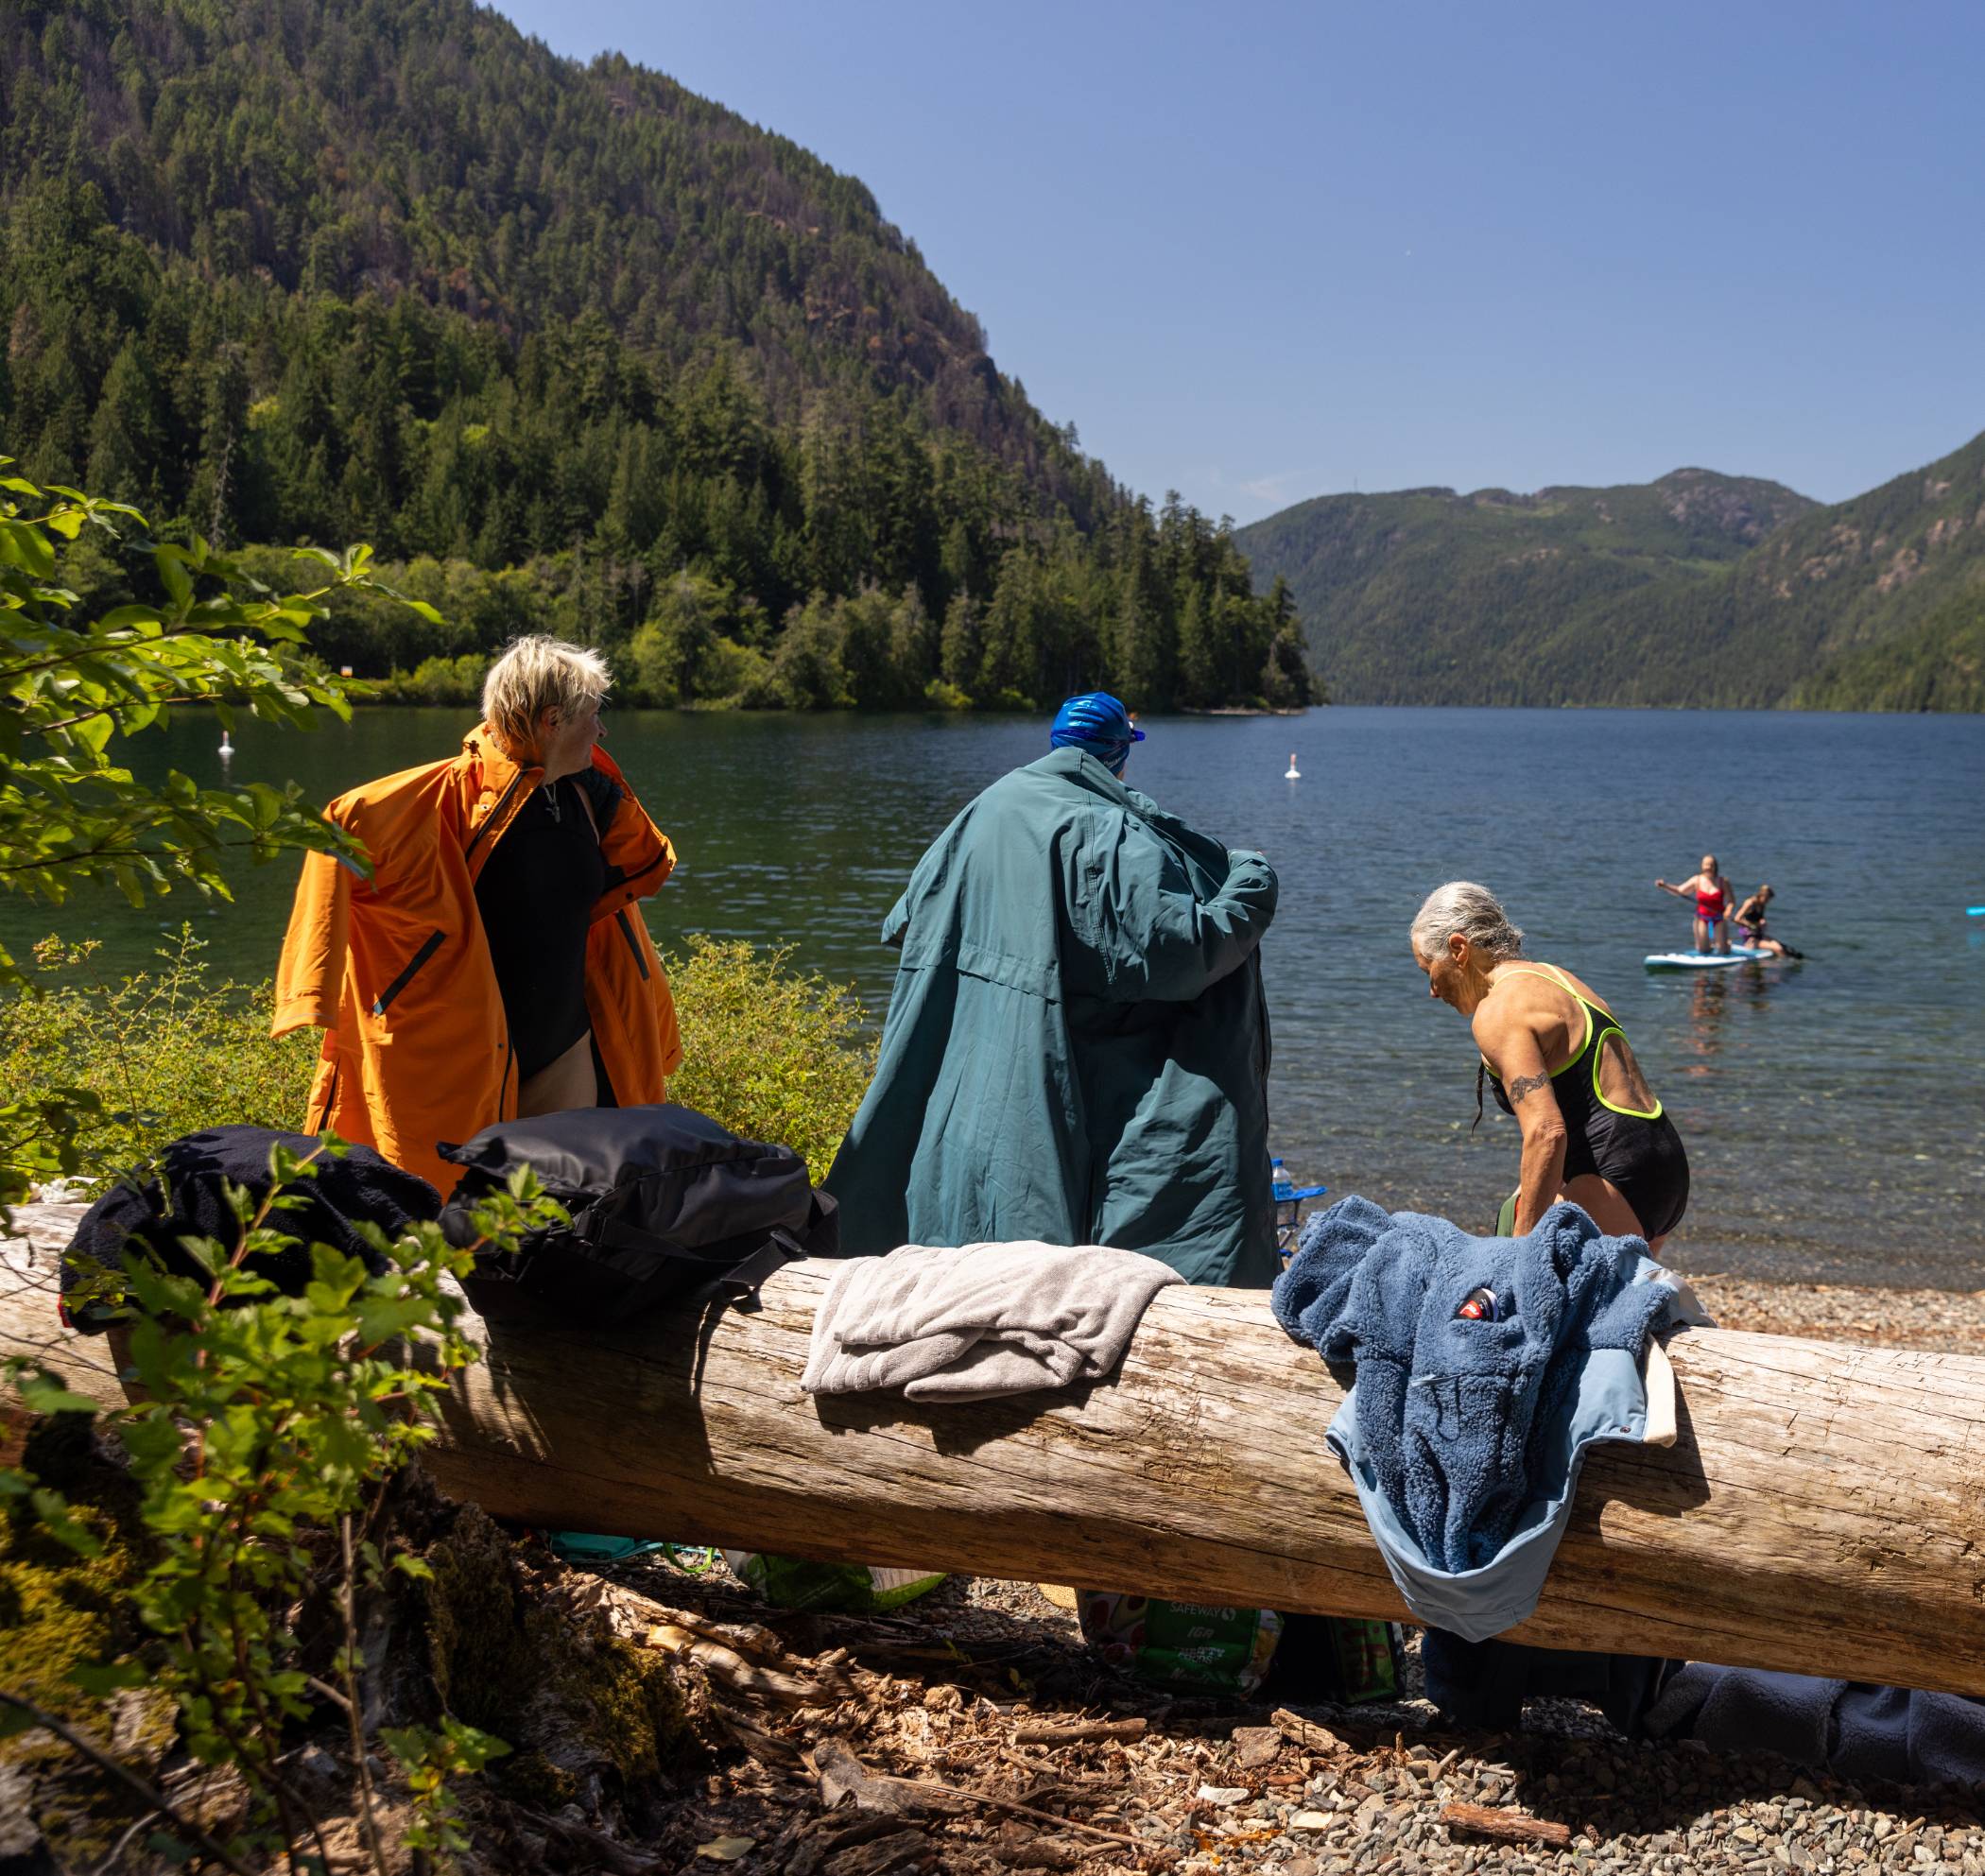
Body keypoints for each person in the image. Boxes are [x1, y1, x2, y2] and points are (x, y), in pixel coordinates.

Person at [824, 693, 1279, 1287]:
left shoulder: (984, 810)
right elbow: (1186, 953)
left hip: (976, 1089)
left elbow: (909, 920)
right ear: (1120, 756)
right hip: (1050, 1095)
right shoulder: (1105, 832)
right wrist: (1251, 880)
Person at [273, 636, 683, 1193]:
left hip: (565, 1046)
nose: (602, 730)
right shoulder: (444, 798)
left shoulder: (589, 798)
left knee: (562, 1206)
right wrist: (311, 993)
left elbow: (609, 910)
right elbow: (338, 832)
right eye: (593, 715)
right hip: (467, 1052)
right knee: (451, 1203)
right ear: (552, 720)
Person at [1410, 882, 1689, 1249]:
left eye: (1428, 970)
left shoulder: (1499, 1010)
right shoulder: (1555, 977)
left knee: (1519, 1279)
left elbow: (1547, 1131)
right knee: (1620, 1302)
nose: (1432, 990)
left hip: (1611, 1179)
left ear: (1458, 949)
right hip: (1664, 1166)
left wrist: (1520, 1251)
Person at [1655, 854, 1734, 954]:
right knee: (1703, 950)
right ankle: (1710, 946)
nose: (1708, 867)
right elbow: (1680, 891)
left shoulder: (1723, 882)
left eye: (1711, 865)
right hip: (1702, 918)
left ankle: (1726, 945)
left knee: (1723, 951)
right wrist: (1665, 886)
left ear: (1715, 867)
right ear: (1702, 866)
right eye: (1706, 865)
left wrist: (1728, 910)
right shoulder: (1697, 880)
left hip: (1719, 918)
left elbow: (1731, 901)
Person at [1732, 883, 1801, 958]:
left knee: (1782, 946)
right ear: (1762, 896)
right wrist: (1751, 926)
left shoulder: (1762, 904)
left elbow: (1758, 917)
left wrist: (1762, 922)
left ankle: (1790, 959)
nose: (1767, 902)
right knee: (1778, 949)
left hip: (1758, 933)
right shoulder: (1750, 903)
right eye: (1767, 899)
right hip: (1750, 936)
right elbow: (1736, 918)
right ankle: (1781, 966)